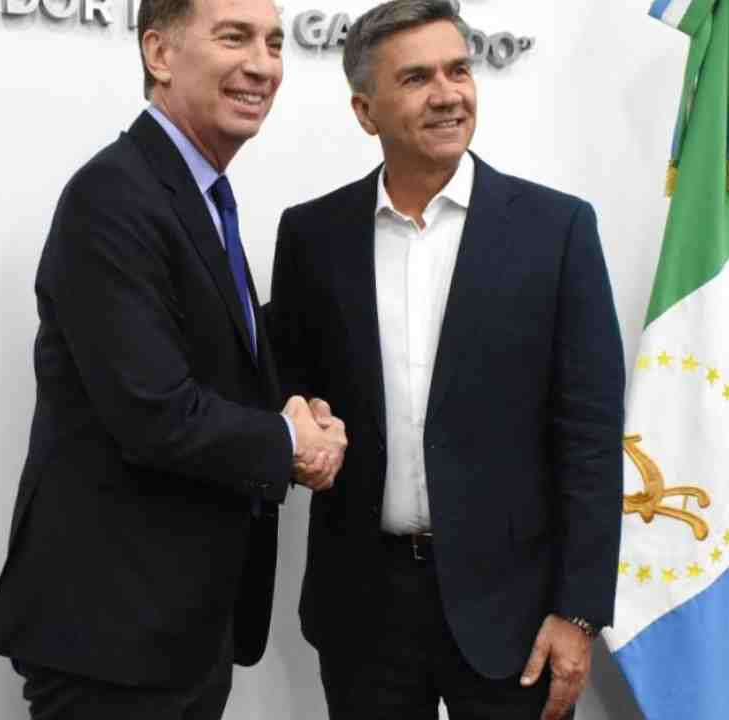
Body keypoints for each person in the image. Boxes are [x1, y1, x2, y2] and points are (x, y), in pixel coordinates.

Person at [0, 0, 346, 714]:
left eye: (274, 44)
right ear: (159, 53)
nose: (262, 65)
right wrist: (289, 443)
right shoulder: (114, 195)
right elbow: (153, 411)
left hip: (179, 629)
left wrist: (294, 411)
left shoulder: (199, 194)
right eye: (234, 38)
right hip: (112, 636)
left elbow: (209, 361)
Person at [268, 1, 625, 717]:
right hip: (363, 607)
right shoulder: (312, 235)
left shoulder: (557, 231)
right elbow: (293, 392)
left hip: (514, 612)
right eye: (416, 78)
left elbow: (590, 436)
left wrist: (578, 612)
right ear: (365, 111)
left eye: (458, 70)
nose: (447, 94)